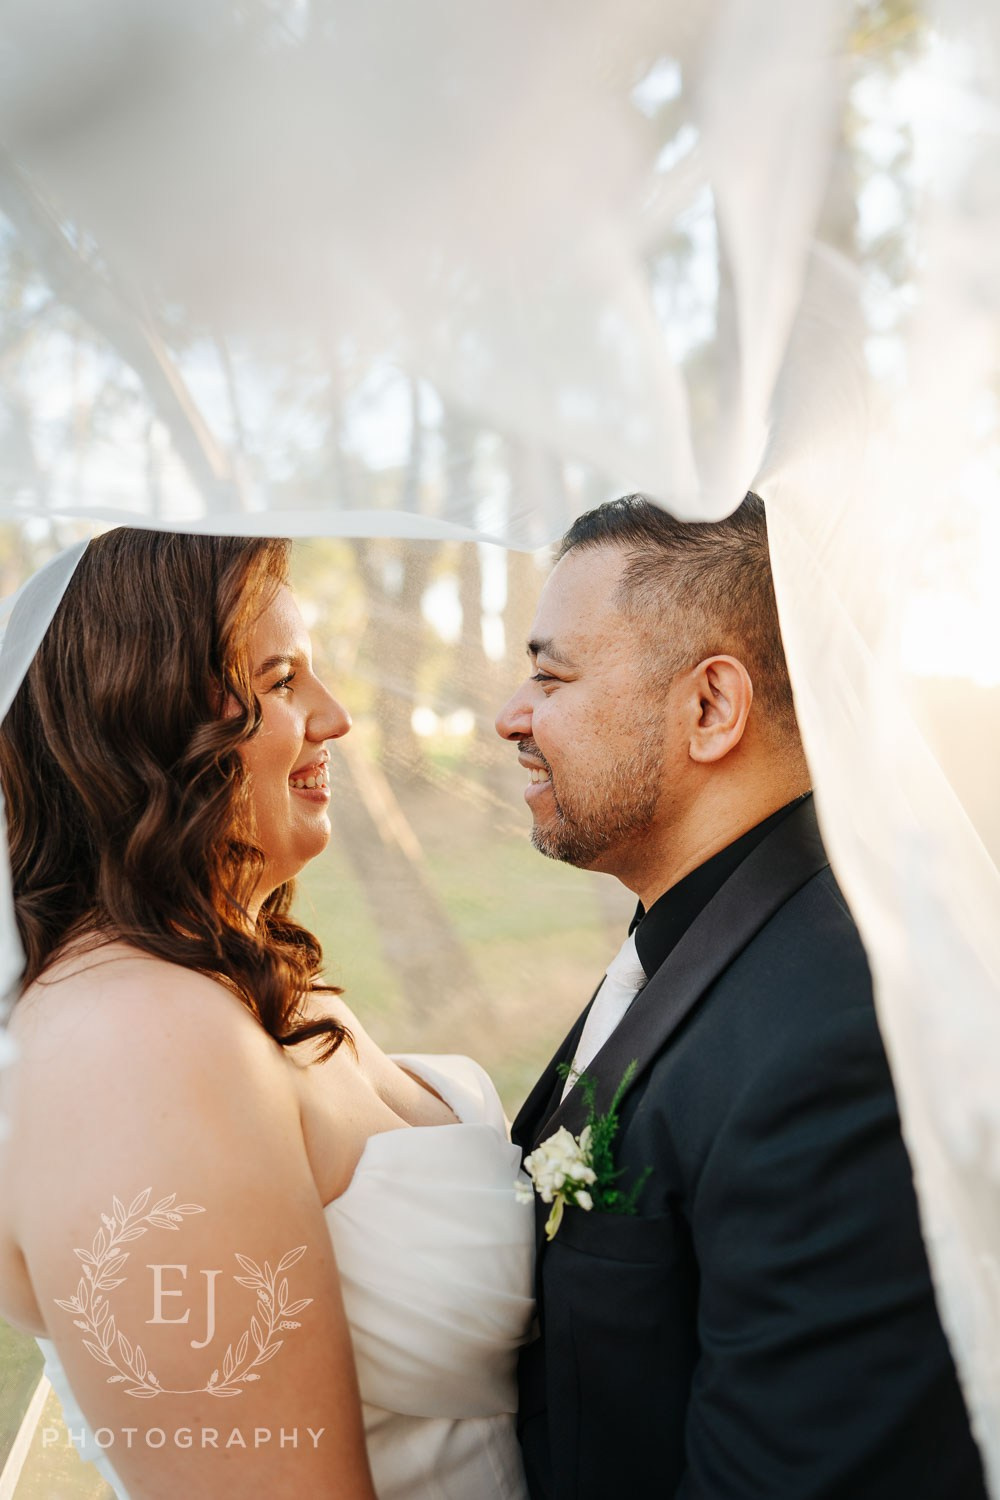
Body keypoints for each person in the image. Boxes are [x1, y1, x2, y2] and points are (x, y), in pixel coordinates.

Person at [0, 528, 533, 1500]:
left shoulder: (239, 973)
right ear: (147, 725)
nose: (334, 718)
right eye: (282, 680)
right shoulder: (133, 1049)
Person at [495, 494, 987, 1500]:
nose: (512, 715)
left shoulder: (835, 1032)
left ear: (711, 708)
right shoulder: (707, 937)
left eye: (551, 675)